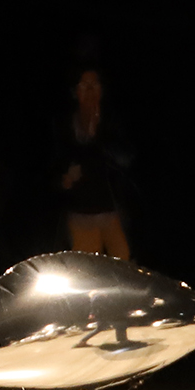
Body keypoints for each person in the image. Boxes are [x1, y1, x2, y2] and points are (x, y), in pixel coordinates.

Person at [53, 68, 134, 258]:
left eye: (94, 85)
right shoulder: (63, 126)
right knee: (88, 271)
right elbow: (51, 167)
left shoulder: (113, 122)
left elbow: (127, 159)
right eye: (85, 86)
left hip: (113, 216)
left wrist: (99, 136)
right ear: (75, 92)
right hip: (81, 217)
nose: (90, 91)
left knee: (122, 268)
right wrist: (64, 179)